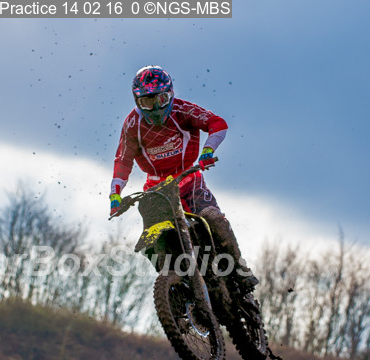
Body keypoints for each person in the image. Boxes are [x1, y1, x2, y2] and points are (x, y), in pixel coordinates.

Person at [109, 65, 259, 292]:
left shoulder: (183, 110)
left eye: (161, 99)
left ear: (170, 94)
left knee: (212, 218)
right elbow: (122, 160)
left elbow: (217, 123)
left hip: (189, 180)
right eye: (147, 102)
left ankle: (239, 270)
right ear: (137, 101)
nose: (156, 108)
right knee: (150, 241)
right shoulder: (132, 125)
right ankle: (174, 285)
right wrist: (115, 195)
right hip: (156, 189)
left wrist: (208, 150)